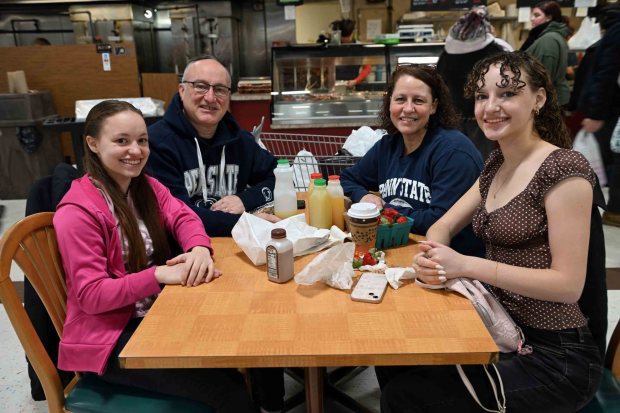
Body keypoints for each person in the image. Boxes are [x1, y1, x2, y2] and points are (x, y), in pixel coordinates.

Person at [378, 51, 602, 412]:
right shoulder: (496, 164)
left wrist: (464, 265)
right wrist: (433, 256)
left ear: (539, 99)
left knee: (404, 397)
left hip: (554, 355)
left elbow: (567, 284)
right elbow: (443, 224)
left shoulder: (564, 169)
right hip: (499, 327)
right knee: (394, 360)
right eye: (482, 96)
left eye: (507, 94)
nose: (490, 107)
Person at [53, 100, 254, 412]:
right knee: (229, 390)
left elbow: (184, 217)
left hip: (152, 317)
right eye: (122, 141)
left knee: (237, 346)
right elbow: (91, 295)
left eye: (142, 141)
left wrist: (198, 248)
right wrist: (158, 275)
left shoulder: (143, 186)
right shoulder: (77, 211)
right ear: (93, 144)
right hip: (110, 341)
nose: (136, 150)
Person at [340, 64, 485, 257]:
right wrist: (364, 196)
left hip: (453, 262)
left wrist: (383, 210)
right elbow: (346, 179)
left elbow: (438, 220)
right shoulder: (387, 146)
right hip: (401, 250)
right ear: (390, 102)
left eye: (418, 100)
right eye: (400, 99)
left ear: (433, 106)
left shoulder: (454, 152)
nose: (408, 109)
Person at [147, 55, 279, 237]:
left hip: (236, 246)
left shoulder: (240, 140)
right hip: (185, 251)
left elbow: (279, 176)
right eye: (200, 86)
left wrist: (245, 199)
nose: (210, 98)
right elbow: (177, 214)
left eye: (220, 90)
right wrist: (246, 223)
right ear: (182, 90)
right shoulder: (157, 144)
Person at [437, 5, 506, 159]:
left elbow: (439, 80)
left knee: (457, 158)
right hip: (484, 114)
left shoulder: (447, 53)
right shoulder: (494, 51)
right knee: (481, 161)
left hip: (455, 115)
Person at [577, 4, 620, 227]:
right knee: (605, 166)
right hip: (610, 112)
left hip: (607, 111)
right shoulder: (617, 34)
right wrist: (596, 113)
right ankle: (607, 210)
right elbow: (606, 74)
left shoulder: (612, 35)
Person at [520, 1, 571, 106]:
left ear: (549, 18)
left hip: (547, 102)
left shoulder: (548, 40)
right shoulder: (550, 36)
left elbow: (544, 78)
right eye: (532, 15)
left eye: (537, 15)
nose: (532, 18)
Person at [330, 19, 372, 88]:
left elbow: (367, 68)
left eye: (348, 37)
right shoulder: (333, 47)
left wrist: (356, 81)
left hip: (352, 85)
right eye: (343, 37)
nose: (346, 40)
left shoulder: (359, 47)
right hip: (334, 86)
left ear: (353, 33)